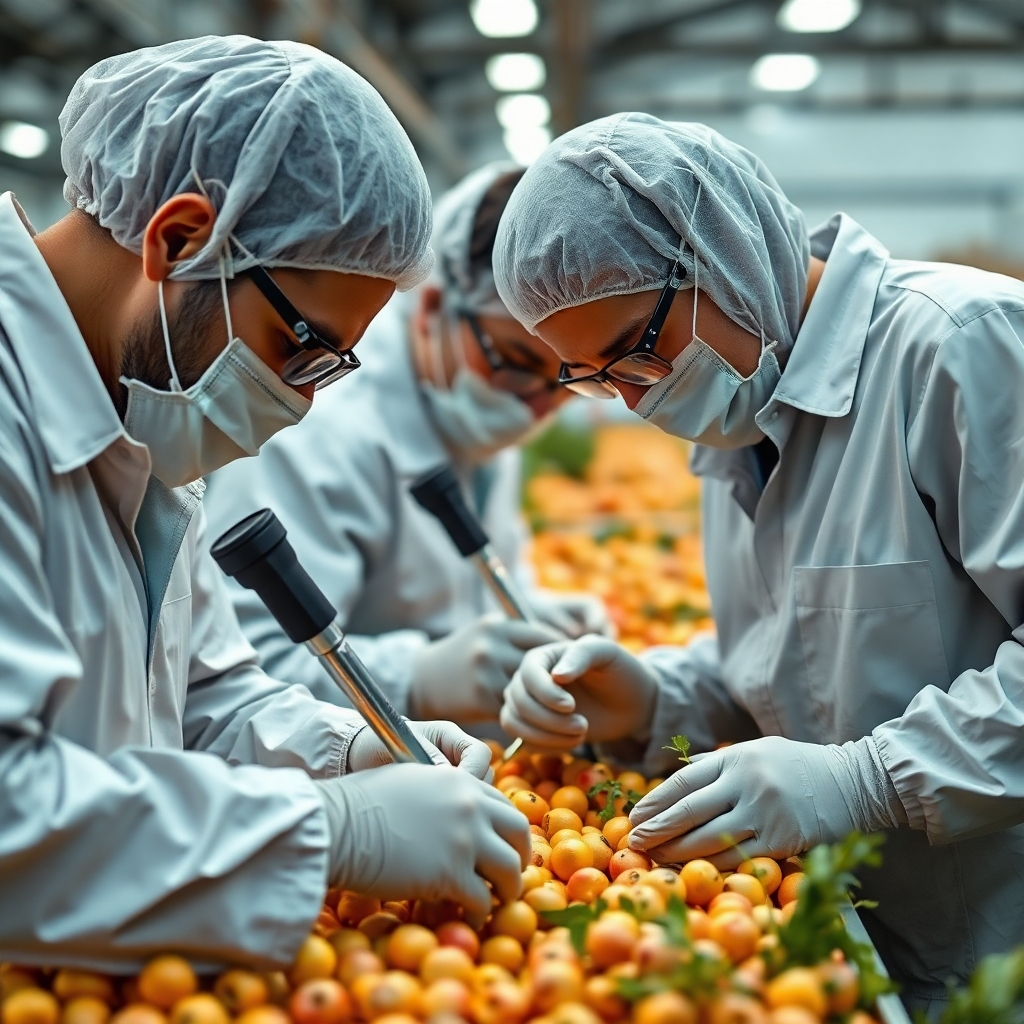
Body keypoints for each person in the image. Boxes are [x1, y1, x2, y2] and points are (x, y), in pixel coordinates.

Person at [0, 35, 529, 970]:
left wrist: (346, 755)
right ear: (177, 239)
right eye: (301, 349)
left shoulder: (136, 413)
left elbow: (204, 696)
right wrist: (328, 831)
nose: (300, 404)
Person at [492, 112, 1024, 1010]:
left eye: (635, 351)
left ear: (719, 253)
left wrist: (866, 781)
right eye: (592, 376)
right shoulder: (740, 411)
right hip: (854, 947)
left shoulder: (962, 349)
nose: (630, 401)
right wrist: (656, 697)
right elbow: (805, 665)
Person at [203, 163, 608, 728]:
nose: (536, 407)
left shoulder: (475, 418)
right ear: (435, 310)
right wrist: (414, 677)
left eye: (569, 382)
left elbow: (472, 588)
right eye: (516, 365)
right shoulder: (315, 433)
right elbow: (243, 671)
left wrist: (532, 616)